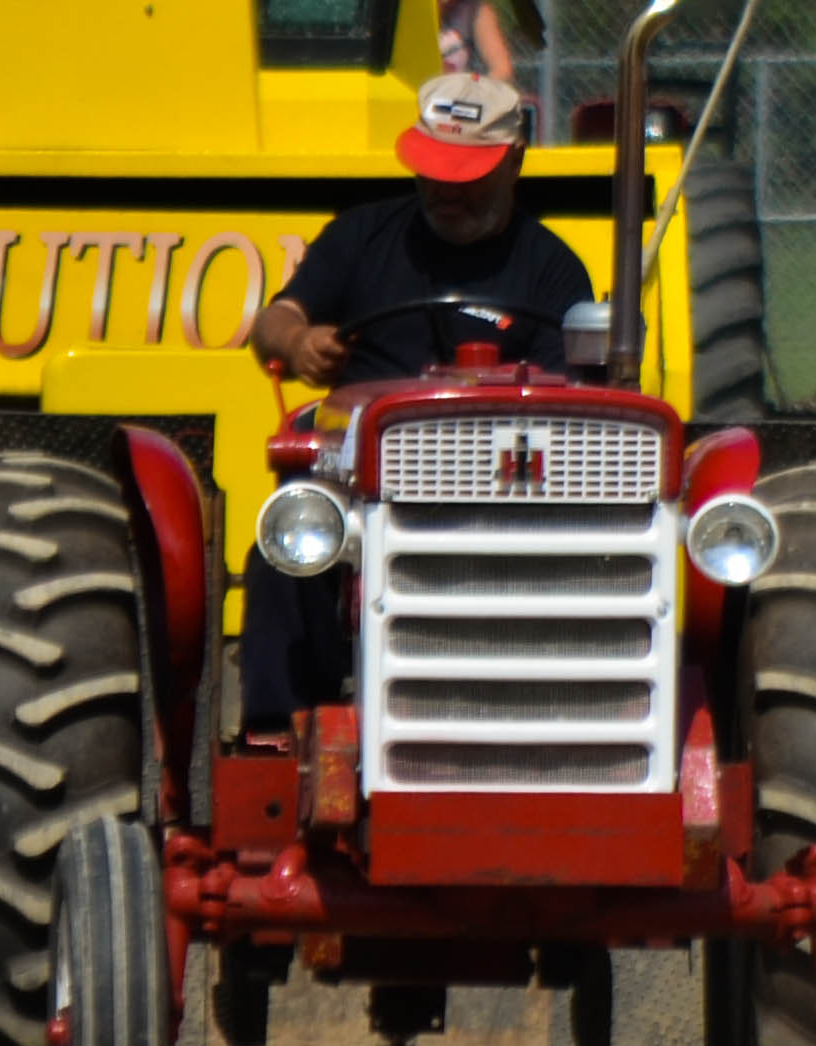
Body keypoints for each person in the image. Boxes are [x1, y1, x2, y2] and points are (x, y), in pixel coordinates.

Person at [238, 72, 598, 725]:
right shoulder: (360, 237)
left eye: (464, 174)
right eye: (431, 169)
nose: (442, 190)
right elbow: (274, 319)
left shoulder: (552, 269)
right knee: (284, 549)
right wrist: (298, 341)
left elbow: (567, 399)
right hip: (358, 480)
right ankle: (279, 736)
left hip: (499, 489)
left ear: (513, 161)